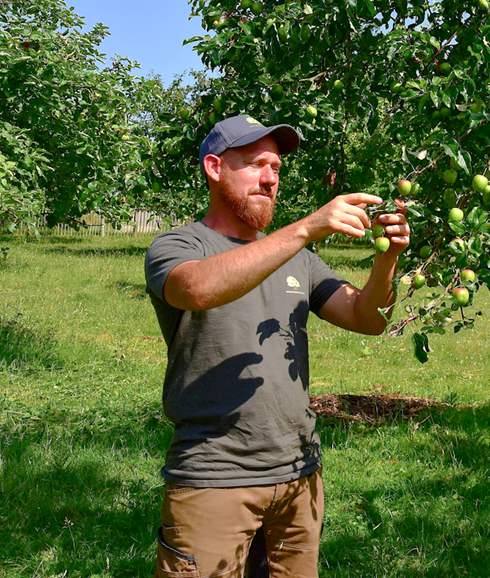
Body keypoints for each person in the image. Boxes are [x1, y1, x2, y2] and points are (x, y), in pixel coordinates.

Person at [145, 114, 410, 577]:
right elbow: (198, 290)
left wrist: (386, 260)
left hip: (298, 474)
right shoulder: (180, 245)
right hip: (214, 476)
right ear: (214, 168)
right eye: (254, 165)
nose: (269, 178)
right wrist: (305, 228)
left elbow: (367, 319)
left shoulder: (299, 260)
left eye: (276, 168)